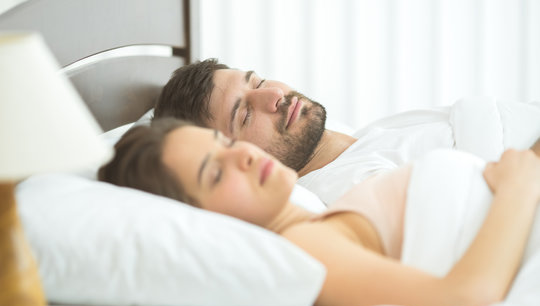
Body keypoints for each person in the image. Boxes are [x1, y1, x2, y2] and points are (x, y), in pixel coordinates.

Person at [98, 118, 540, 306]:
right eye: (215, 172)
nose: (245, 158)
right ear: (199, 220)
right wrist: (520, 188)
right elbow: (462, 301)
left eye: (227, 144)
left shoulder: (319, 218)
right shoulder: (306, 249)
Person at [153, 58, 540, 204]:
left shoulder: (369, 134)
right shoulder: (347, 190)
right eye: (244, 115)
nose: (274, 95)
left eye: (258, 81)